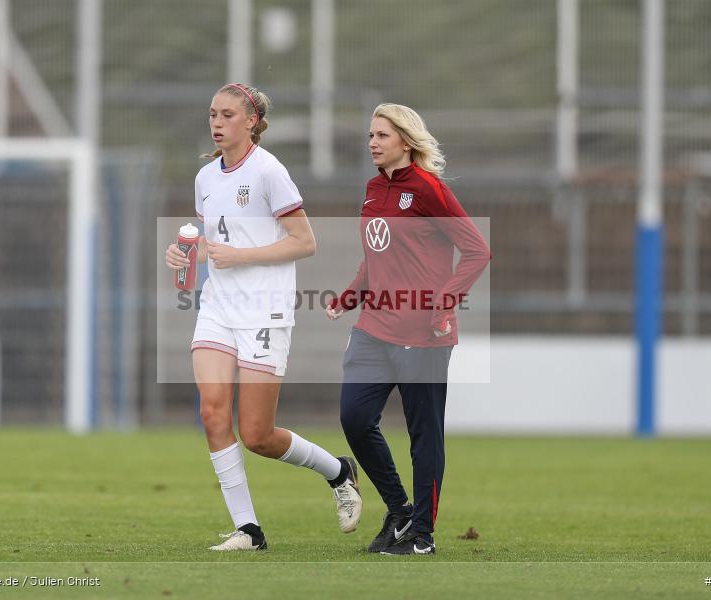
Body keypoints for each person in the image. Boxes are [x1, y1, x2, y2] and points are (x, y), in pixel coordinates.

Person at [165, 83, 362, 551]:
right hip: (217, 306)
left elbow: (304, 242)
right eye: (212, 113)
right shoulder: (205, 178)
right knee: (212, 409)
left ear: (251, 121)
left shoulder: (270, 171)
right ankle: (248, 530)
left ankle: (337, 471)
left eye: (227, 115)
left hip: (264, 311)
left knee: (257, 435)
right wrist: (181, 255)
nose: (216, 122)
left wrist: (241, 256)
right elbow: (211, 245)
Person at [326, 103, 491, 555]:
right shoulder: (372, 189)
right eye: (371, 135)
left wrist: (443, 304)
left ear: (405, 140)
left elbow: (476, 250)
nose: (373, 142)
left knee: (424, 436)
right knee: (355, 419)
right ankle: (399, 509)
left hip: (424, 336)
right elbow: (377, 258)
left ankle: (421, 534)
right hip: (373, 327)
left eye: (381, 135)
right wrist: (349, 297)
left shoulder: (429, 189)